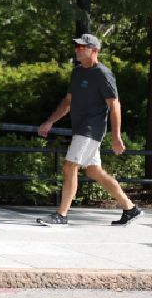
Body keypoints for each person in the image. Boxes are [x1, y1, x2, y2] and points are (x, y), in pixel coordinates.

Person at [36, 33, 143, 226]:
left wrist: (116, 136)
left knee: (70, 166)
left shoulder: (103, 74)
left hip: (91, 129)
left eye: (81, 47)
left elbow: (115, 105)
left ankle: (61, 215)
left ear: (94, 50)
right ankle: (130, 208)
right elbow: (68, 101)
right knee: (94, 172)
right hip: (80, 128)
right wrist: (50, 121)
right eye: (76, 47)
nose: (77, 50)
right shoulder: (77, 72)